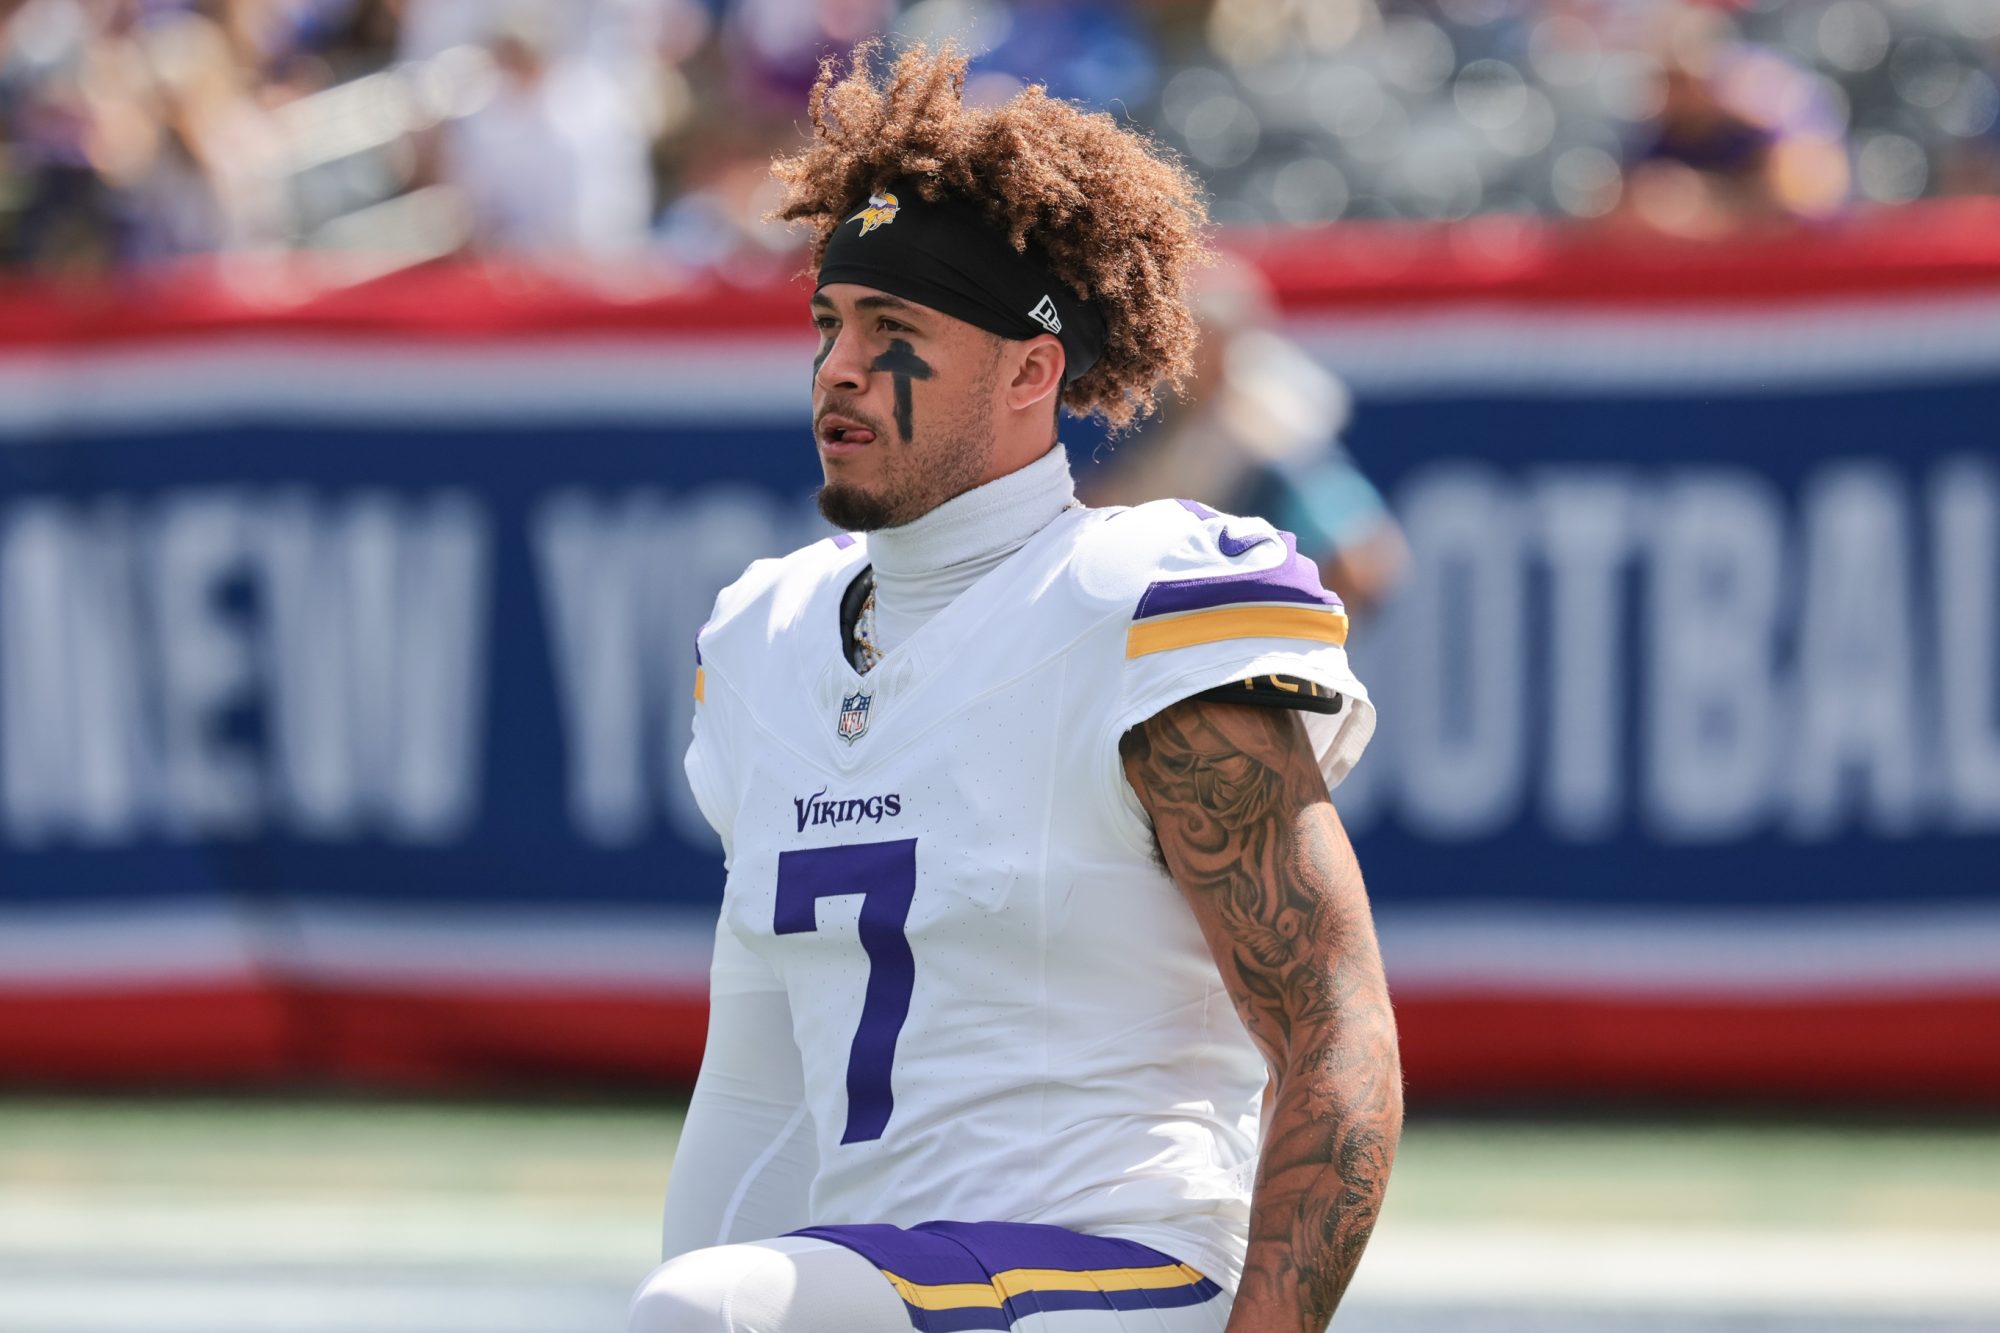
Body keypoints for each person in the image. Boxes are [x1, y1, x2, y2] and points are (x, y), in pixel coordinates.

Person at [629, 41, 1400, 1333]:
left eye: (895, 331)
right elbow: (757, 1087)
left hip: (1137, 1266)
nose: (838, 368)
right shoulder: (768, 633)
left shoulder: (1142, 596)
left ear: (1032, 370)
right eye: (828, 324)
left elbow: (1335, 1035)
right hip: (888, 1277)